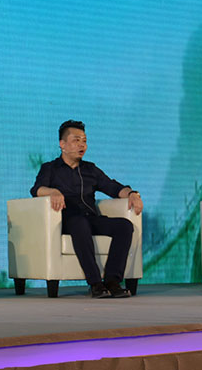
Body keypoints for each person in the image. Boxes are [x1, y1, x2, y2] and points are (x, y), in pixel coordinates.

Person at [30, 120, 142, 298]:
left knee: (124, 226)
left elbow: (113, 187)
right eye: (76, 140)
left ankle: (112, 281)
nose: (82, 145)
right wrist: (53, 192)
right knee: (79, 223)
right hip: (67, 220)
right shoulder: (50, 168)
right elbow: (36, 189)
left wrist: (132, 194)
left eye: (84, 141)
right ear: (62, 144)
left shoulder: (90, 169)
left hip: (91, 217)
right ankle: (95, 283)